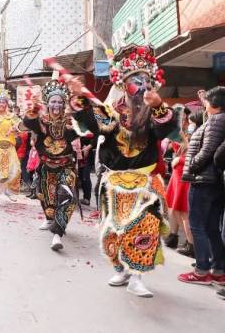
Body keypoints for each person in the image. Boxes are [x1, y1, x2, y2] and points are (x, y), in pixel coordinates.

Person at [72, 44, 177, 298]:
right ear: (123, 84)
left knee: (145, 228)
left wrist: (160, 105)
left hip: (145, 183)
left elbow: (167, 129)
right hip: (115, 185)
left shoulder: (155, 112)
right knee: (112, 231)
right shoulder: (111, 113)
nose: (141, 86)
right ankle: (121, 269)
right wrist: (78, 98)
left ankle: (137, 277)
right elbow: (91, 122)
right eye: (135, 80)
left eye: (146, 81)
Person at [24, 75, 85, 252]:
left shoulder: (69, 122)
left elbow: (86, 128)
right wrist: (34, 110)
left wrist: (79, 98)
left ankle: (57, 233)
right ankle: (50, 219)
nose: (56, 105)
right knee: (47, 198)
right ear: (47, 103)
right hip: (46, 166)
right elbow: (27, 123)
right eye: (53, 101)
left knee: (66, 196)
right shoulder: (41, 122)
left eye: (60, 102)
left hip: (66, 166)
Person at [179, 86, 225, 287]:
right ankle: (218, 269)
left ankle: (202, 270)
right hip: (214, 181)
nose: (204, 104)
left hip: (203, 179)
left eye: (207, 101)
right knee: (212, 227)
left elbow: (207, 150)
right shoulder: (215, 119)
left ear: (215, 104)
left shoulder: (217, 120)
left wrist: (192, 165)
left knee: (197, 225)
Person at [165, 107, 198, 257]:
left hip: (184, 173)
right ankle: (174, 236)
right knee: (172, 206)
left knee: (183, 211)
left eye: (185, 115)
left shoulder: (194, 132)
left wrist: (180, 159)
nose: (183, 118)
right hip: (177, 172)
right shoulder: (178, 130)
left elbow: (195, 153)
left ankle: (191, 244)